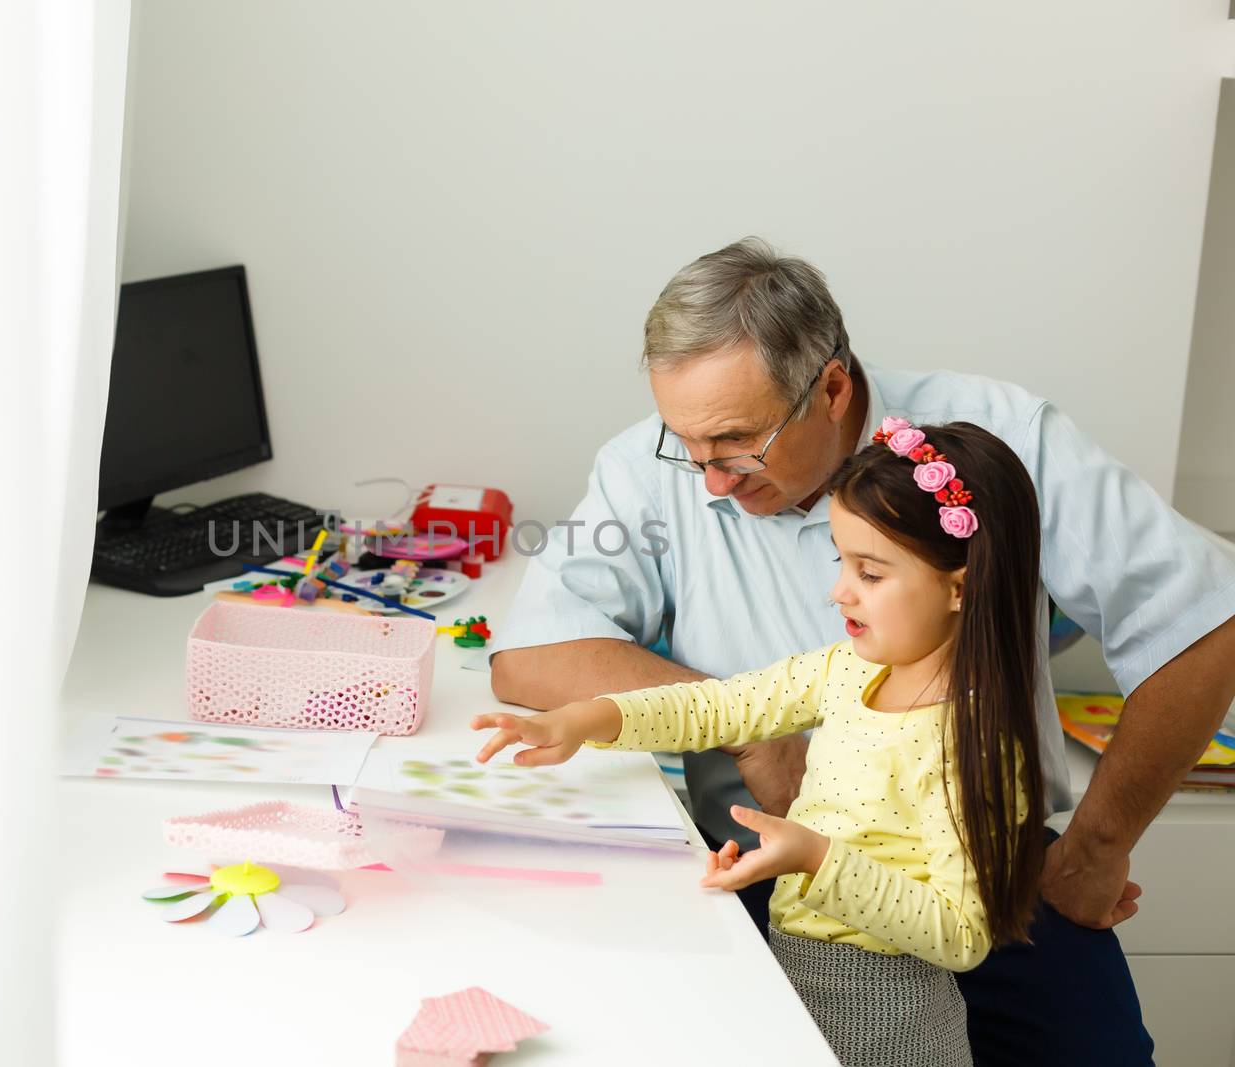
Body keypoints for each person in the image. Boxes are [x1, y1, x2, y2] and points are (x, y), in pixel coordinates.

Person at [488, 237, 1235, 1064]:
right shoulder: (667, 472)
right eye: (686, 446)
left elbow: (1205, 612)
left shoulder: (1000, 444)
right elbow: (534, 655)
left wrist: (1098, 847)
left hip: (982, 873)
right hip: (773, 869)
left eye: (738, 444)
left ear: (833, 388)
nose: (709, 483)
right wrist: (758, 735)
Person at [475, 421, 1047, 1065]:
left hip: (890, 1020)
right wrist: (586, 719)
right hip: (799, 970)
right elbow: (720, 707)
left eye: (871, 573)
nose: (840, 591)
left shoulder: (970, 742)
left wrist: (813, 857)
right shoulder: (847, 669)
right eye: (840, 561)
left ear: (960, 587)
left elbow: (962, 934)